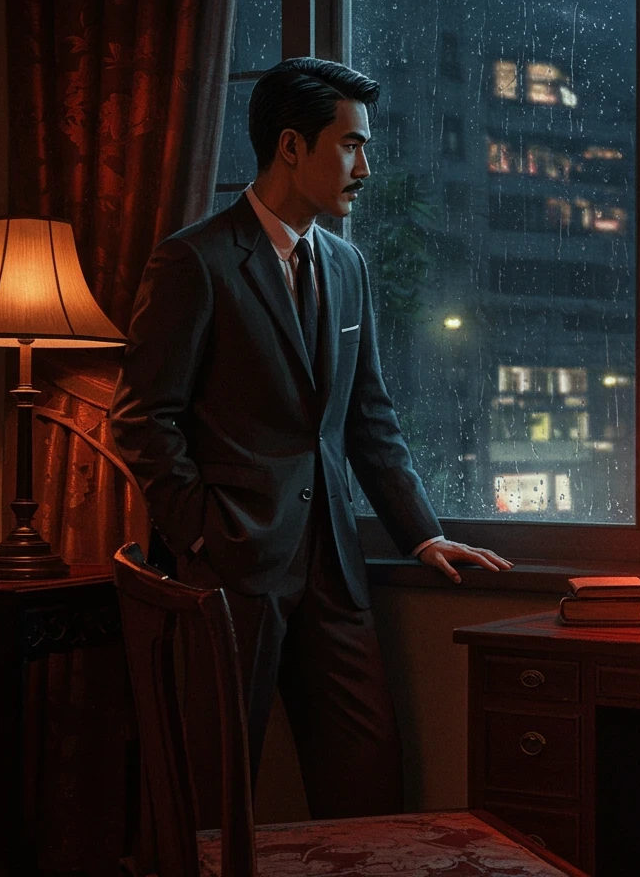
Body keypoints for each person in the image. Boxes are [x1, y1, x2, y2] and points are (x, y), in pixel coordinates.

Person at [109, 57, 511, 818]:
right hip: (231, 568)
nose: (366, 166)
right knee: (212, 793)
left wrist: (423, 535)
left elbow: (369, 419)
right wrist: (204, 535)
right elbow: (142, 420)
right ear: (292, 147)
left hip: (335, 567)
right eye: (352, 145)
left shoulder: (347, 264)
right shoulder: (194, 261)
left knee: (370, 782)